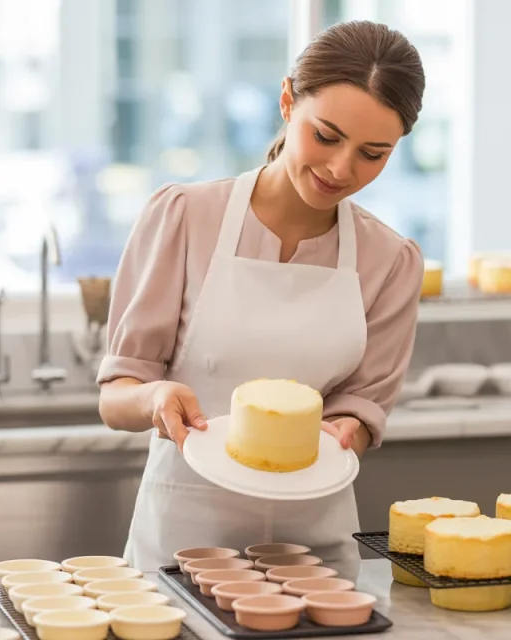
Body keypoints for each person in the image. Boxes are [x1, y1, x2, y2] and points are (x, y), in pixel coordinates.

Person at [96, 20, 426, 581]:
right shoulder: (183, 218)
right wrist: (155, 396)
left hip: (315, 557)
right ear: (286, 101)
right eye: (325, 136)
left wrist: (350, 430)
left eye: (373, 154)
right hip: (181, 549)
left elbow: (363, 409)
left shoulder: (389, 260)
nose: (341, 169)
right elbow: (116, 396)